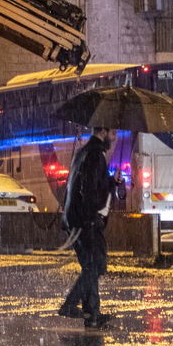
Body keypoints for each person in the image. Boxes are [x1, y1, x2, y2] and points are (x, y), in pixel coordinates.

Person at [58, 127, 116, 328]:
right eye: (113, 133)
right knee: (96, 264)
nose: (114, 137)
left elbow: (88, 183)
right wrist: (93, 216)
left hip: (76, 218)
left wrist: (110, 181)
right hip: (85, 220)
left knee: (92, 265)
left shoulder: (84, 152)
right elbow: (89, 190)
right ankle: (71, 304)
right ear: (103, 131)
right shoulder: (95, 155)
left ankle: (92, 314)